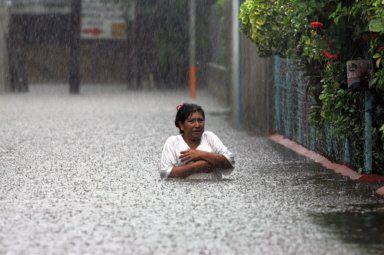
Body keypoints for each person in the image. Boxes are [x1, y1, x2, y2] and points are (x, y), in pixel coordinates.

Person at [159, 103, 235, 179]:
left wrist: (201, 154)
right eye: (191, 121)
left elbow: (230, 162)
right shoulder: (172, 142)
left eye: (200, 120)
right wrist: (196, 167)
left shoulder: (209, 137)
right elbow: (165, 174)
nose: (197, 125)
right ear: (181, 125)